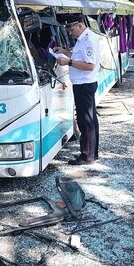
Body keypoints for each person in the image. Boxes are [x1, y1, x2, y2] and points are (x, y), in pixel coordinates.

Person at [53, 17, 100, 165]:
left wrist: (69, 62)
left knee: (85, 121)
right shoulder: (82, 39)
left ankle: (87, 155)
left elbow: (89, 66)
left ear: (80, 26)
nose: (70, 33)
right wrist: (65, 52)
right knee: (90, 120)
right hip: (82, 83)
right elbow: (78, 56)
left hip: (84, 84)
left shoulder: (88, 40)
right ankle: (92, 153)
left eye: (72, 30)